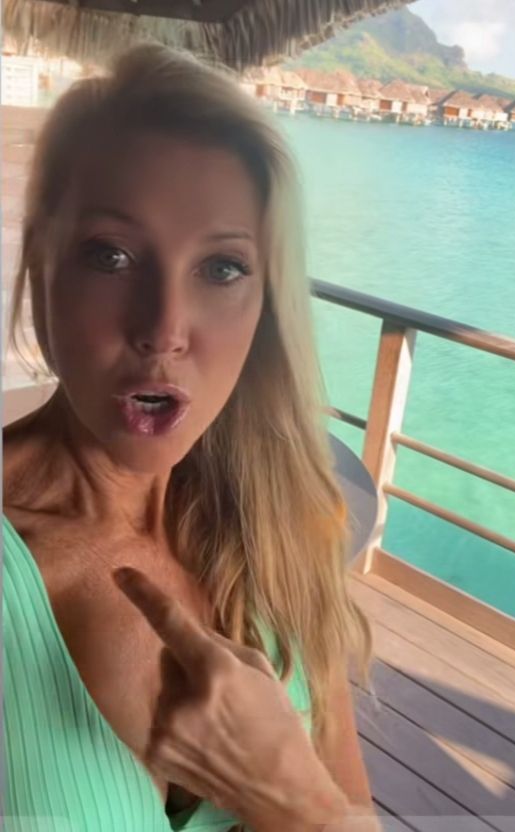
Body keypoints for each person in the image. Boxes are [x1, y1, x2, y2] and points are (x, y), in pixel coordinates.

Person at [3, 43, 379, 832]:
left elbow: (356, 812)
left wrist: (292, 797)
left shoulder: (286, 524)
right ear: (41, 267)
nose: (164, 329)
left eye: (221, 268)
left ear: (267, 299)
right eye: (111, 255)